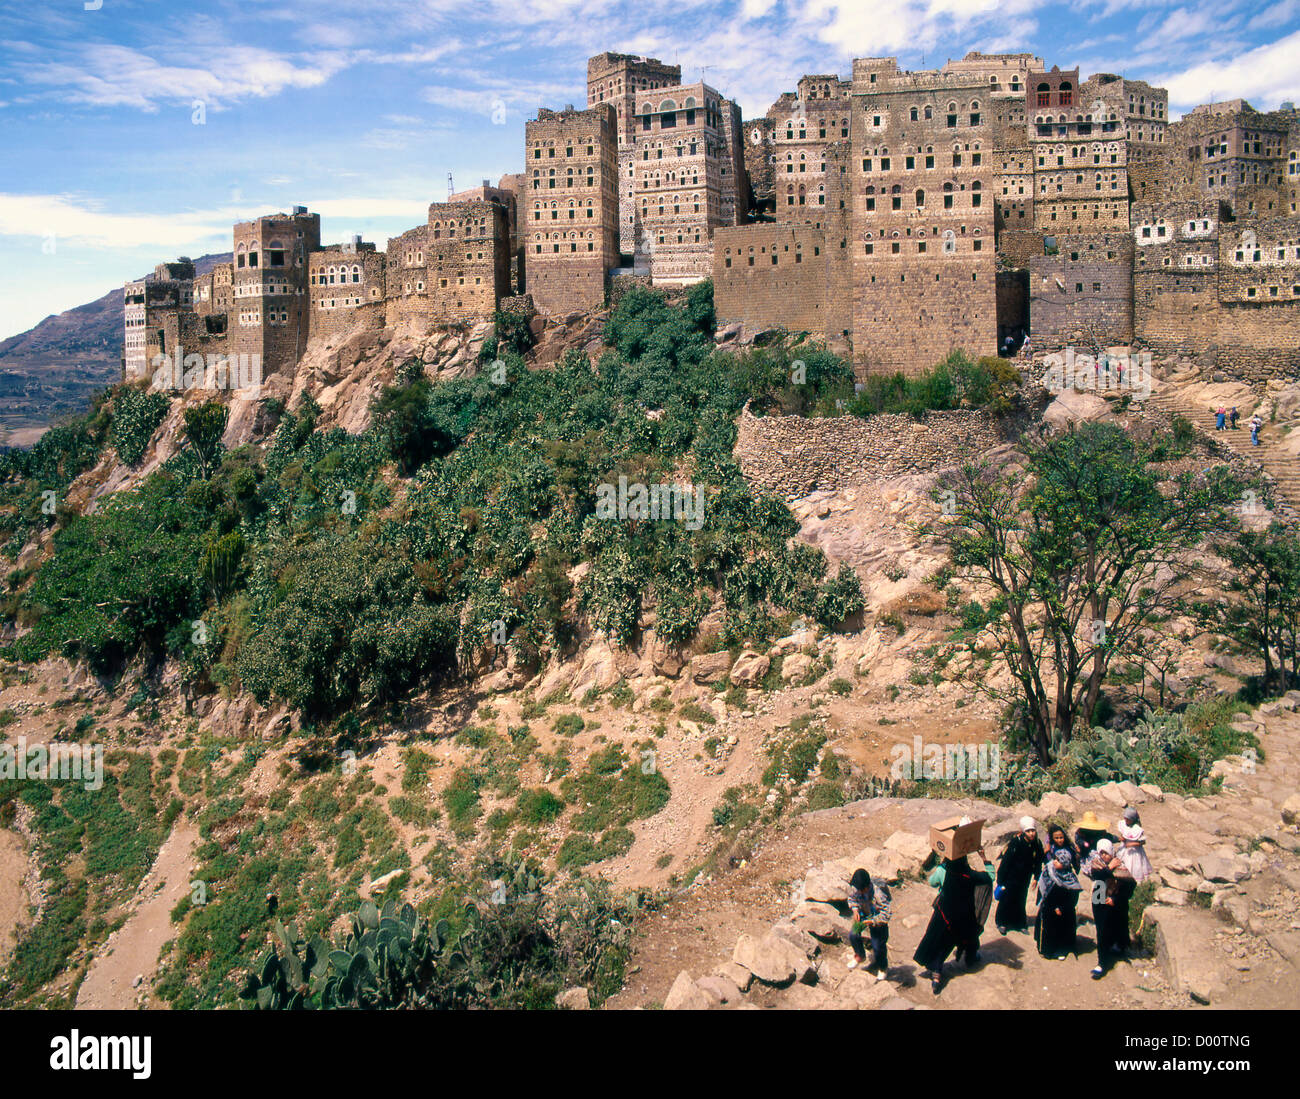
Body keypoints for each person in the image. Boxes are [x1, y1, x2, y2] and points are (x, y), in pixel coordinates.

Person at [913, 840, 995, 994]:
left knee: (939, 941)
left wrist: (940, 866)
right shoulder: (970, 875)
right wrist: (984, 858)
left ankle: (936, 974)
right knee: (970, 937)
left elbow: (932, 882)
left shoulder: (945, 870)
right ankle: (970, 958)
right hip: (963, 916)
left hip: (943, 913)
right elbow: (990, 876)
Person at [1085, 839, 1134, 978]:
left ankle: (1118, 947)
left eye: (1107, 853)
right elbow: (1098, 876)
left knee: (1118, 924)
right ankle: (1102, 963)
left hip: (1117, 901)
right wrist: (1110, 868)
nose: (1104, 856)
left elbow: (1129, 884)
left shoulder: (1122, 864)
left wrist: (1115, 899)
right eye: (1102, 853)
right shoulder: (1096, 863)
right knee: (1102, 930)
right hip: (1099, 898)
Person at [1035, 827, 1082, 960]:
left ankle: (1063, 948)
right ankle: (1047, 949)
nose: (1054, 862)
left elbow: (1073, 897)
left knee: (1062, 928)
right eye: (1057, 837)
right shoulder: (1049, 871)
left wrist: (1061, 908)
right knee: (1048, 928)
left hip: (1063, 911)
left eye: (1059, 861)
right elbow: (1045, 888)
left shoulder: (1070, 879)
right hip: (1050, 908)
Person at [995, 816, 1045, 934]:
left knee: (1021, 899)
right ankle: (1002, 922)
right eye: (1028, 831)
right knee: (1007, 898)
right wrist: (1001, 880)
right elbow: (1006, 861)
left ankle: (1019, 923)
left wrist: (1036, 877)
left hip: (1025, 877)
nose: (1031, 833)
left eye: (1033, 830)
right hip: (1011, 877)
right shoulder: (1015, 842)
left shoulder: (1037, 843)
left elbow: (1038, 861)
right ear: (1023, 832)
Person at [846, 868, 892, 980]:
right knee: (853, 935)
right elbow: (851, 898)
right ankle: (860, 955)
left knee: (878, 947)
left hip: (878, 922)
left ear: (867, 886)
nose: (858, 892)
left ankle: (882, 967)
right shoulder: (856, 888)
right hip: (863, 915)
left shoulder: (878, 893)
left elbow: (887, 912)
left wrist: (874, 921)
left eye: (861, 890)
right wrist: (855, 909)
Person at [1115, 808, 1153, 883]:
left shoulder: (1137, 829)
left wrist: (1132, 844)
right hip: (1124, 849)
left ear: (1132, 819)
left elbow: (1143, 842)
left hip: (1134, 852)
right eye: (1125, 819)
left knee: (1133, 866)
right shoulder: (1124, 824)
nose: (1126, 821)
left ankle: (1134, 881)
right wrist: (1122, 839)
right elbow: (1123, 834)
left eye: (1128, 819)